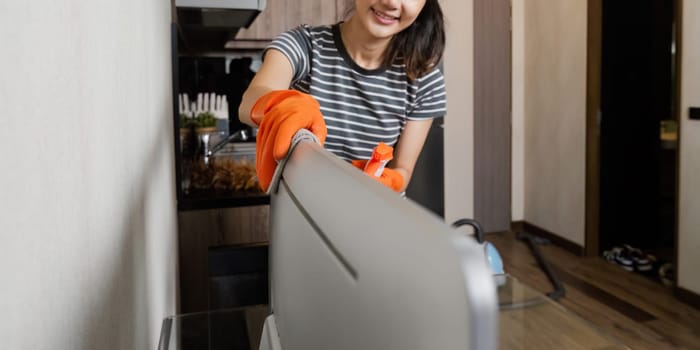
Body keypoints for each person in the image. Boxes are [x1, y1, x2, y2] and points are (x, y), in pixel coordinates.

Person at [239, 0, 446, 193]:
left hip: (375, 216)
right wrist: (282, 104)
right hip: (303, 214)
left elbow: (402, 170)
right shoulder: (305, 45)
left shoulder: (424, 80)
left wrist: (390, 181)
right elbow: (250, 102)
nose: (390, 3)